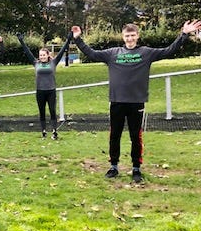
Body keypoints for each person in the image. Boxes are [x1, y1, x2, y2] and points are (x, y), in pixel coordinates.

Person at [71, 21, 201, 183]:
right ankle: (114, 167)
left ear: (137, 36)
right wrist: (77, 38)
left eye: (133, 35)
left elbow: (168, 51)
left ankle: (136, 168)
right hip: (117, 101)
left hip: (136, 102)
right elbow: (91, 53)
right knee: (114, 136)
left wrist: (184, 34)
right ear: (123, 37)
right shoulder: (113, 53)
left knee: (135, 136)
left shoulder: (146, 53)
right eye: (127, 36)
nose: (130, 38)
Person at [16, 32, 73, 139]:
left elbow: (62, 50)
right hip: (40, 91)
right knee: (42, 111)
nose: (42, 57)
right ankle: (43, 131)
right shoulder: (36, 63)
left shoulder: (53, 62)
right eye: (40, 55)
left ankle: (54, 131)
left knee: (52, 110)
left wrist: (68, 39)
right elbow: (27, 52)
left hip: (50, 90)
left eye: (43, 55)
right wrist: (21, 41)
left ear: (47, 55)